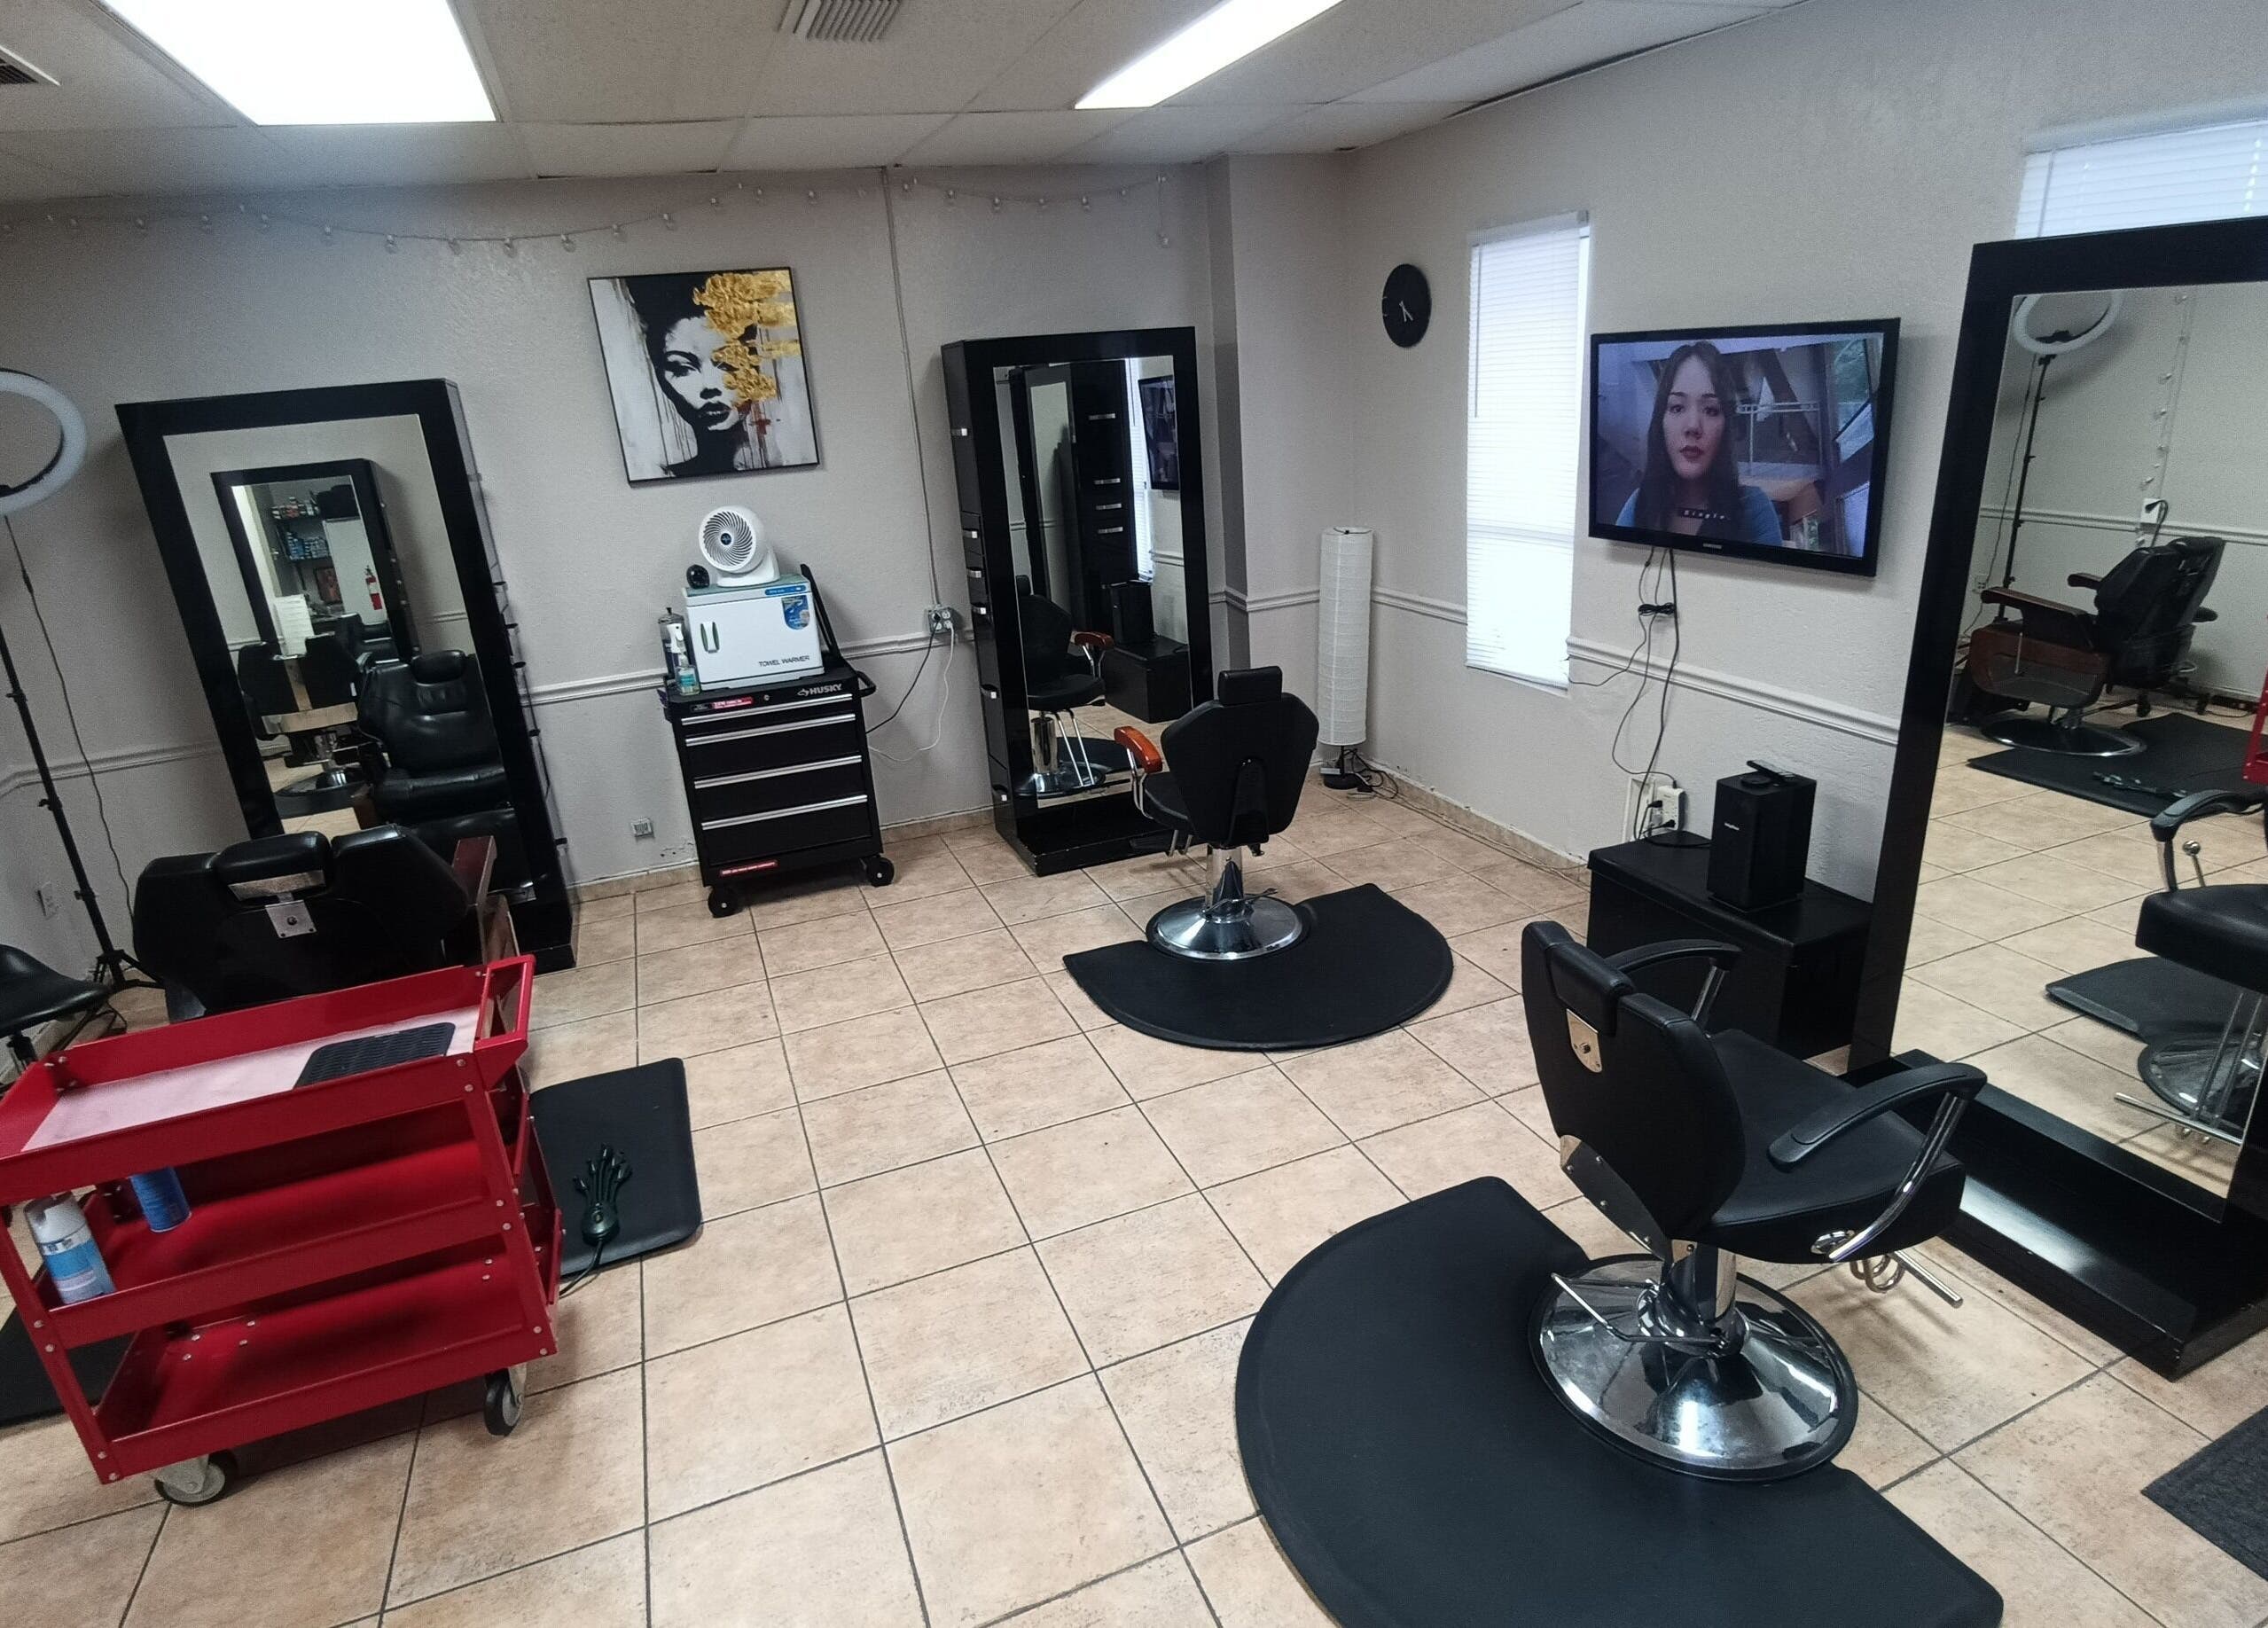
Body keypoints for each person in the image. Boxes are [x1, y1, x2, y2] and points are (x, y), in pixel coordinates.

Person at [1615, 341, 1781, 544]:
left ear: (1726, 426)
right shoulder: (1638, 505)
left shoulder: (1753, 509)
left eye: (1711, 410)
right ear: (1661, 420)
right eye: (1677, 408)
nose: (1693, 426)